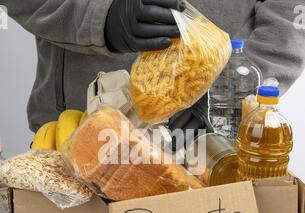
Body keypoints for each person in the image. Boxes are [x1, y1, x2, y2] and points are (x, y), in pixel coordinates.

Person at [3, 0, 305, 134]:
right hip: (77, 133)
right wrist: (100, 17)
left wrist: (231, 95)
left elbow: (291, 11)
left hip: (218, 144)